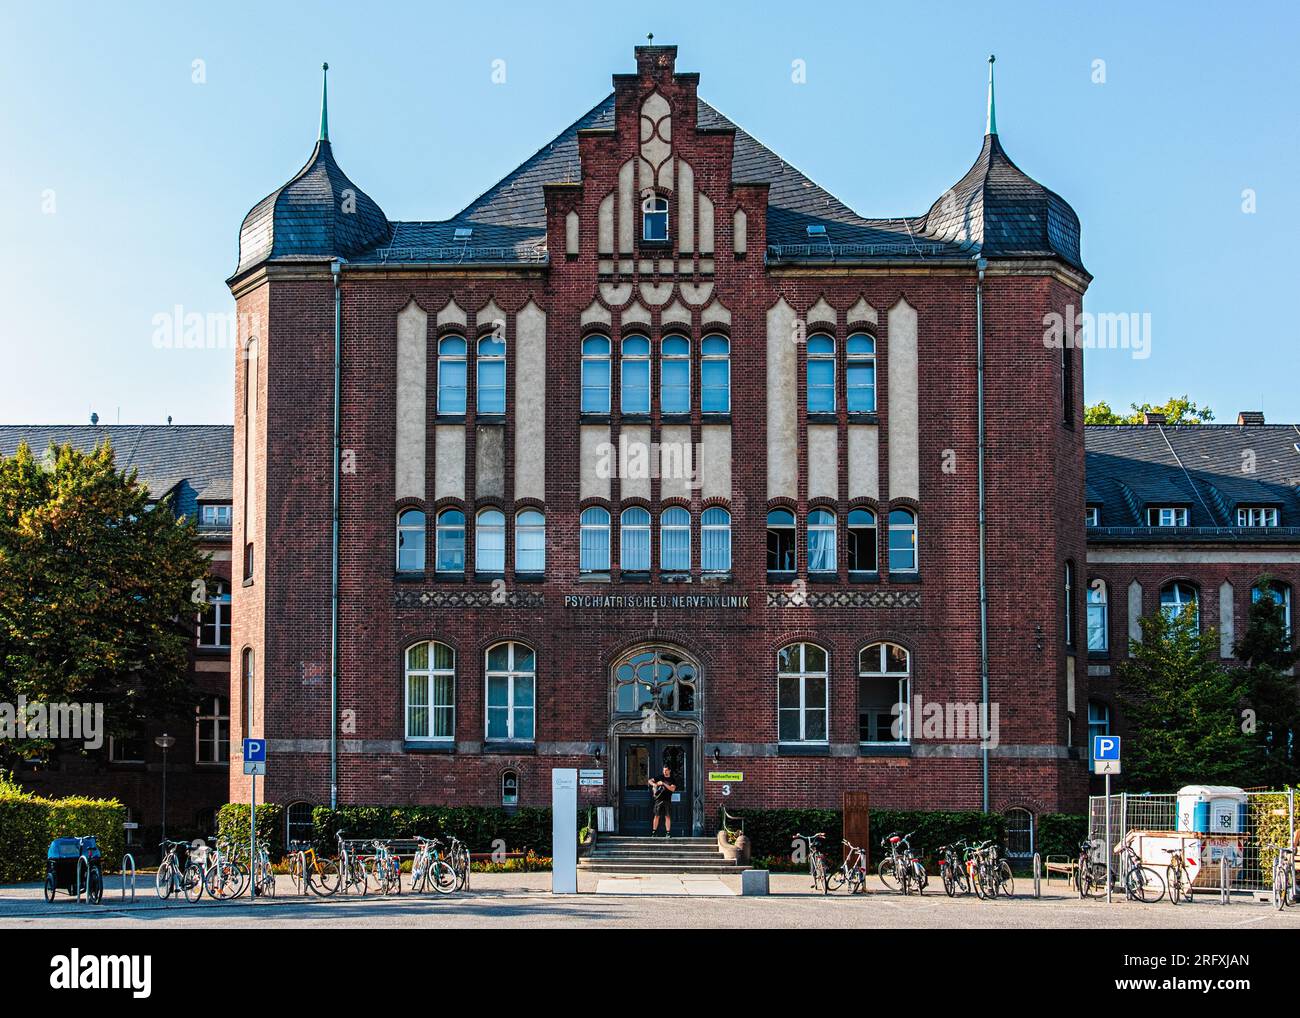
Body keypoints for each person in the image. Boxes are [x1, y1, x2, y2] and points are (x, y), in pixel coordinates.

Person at [648, 764, 676, 838]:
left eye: (666, 770)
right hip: (658, 799)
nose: (665, 772)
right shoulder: (660, 777)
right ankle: (654, 832)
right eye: (664, 770)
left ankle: (668, 833)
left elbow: (672, 789)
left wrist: (663, 784)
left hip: (667, 800)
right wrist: (654, 784)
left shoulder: (672, 779)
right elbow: (649, 781)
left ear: (669, 770)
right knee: (656, 815)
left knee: (667, 816)